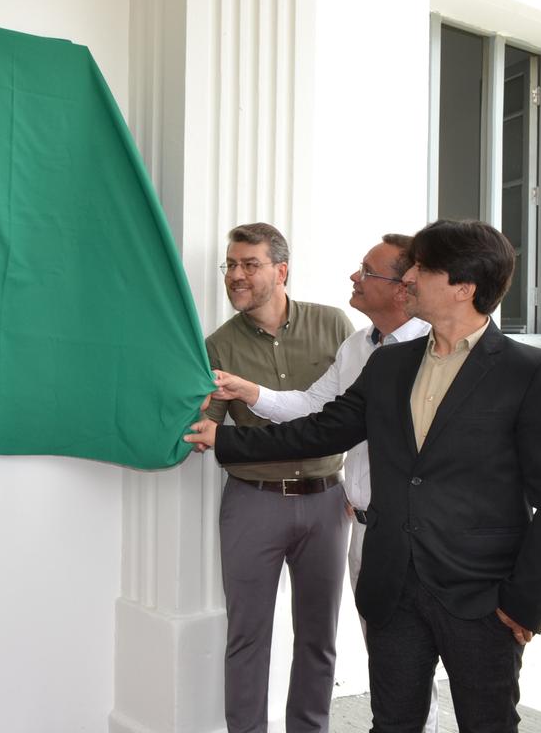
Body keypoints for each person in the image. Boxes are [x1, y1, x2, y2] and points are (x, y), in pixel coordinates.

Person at [188, 220, 541, 733]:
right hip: (393, 587)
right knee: (393, 722)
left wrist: (525, 604)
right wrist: (227, 439)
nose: (410, 279)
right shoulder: (389, 363)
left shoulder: (532, 373)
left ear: (463, 287)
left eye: (423, 269)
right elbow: (320, 430)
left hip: (481, 599)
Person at [211, 234, 437, 732]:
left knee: (404, 655)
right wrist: (248, 394)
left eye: (249, 263)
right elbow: (317, 410)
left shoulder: (428, 348)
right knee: (385, 650)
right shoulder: (359, 345)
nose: (354, 277)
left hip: (372, 518)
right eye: (229, 264)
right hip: (331, 516)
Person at [203, 223, 353, 733]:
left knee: (319, 636)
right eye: (230, 265)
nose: (236, 275)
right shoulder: (216, 345)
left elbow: (359, 409)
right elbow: (206, 429)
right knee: (247, 635)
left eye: (249, 264)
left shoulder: (335, 325)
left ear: (281, 270)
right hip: (253, 502)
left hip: (327, 502)